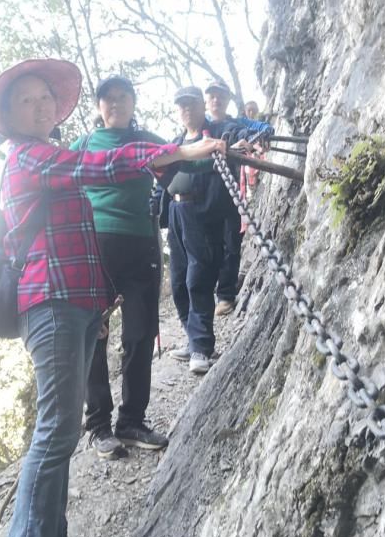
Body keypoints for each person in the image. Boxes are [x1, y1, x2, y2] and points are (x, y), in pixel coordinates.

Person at [0, 58, 225, 537]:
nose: (41, 106)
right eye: (28, 101)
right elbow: (99, 164)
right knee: (55, 432)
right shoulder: (32, 157)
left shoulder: (41, 155)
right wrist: (177, 152)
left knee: (61, 432)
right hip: (50, 304)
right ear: (12, 118)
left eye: (46, 97)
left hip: (72, 302)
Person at [70, 75, 168, 460]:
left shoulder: (148, 141)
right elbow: (62, 183)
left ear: (132, 102)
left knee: (140, 334)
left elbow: (187, 161)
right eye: (108, 99)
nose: (115, 104)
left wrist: (220, 150)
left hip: (141, 243)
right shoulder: (86, 145)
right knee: (95, 334)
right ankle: (98, 426)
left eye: (122, 97)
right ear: (99, 107)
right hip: (95, 246)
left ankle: (132, 421)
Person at [160, 85, 254, 375]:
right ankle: (192, 339)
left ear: (202, 106)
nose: (186, 109)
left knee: (197, 277)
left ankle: (201, 345)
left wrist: (242, 143)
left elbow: (238, 136)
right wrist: (157, 210)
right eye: (181, 105)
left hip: (203, 211)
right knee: (178, 280)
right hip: (176, 212)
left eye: (191, 104)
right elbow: (160, 177)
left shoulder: (218, 131)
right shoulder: (175, 142)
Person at [204, 80, 273, 316]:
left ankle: (225, 295)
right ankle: (212, 290)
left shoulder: (235, 124)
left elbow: (257, 127)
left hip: (229, 191)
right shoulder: (198, 126)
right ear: (206, 100)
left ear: (227, 100)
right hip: (203, 196)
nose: (216, 100)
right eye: (212, 96)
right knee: (208, 247)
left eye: (220, 96)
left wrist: (262, 134)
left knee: (231, 243)